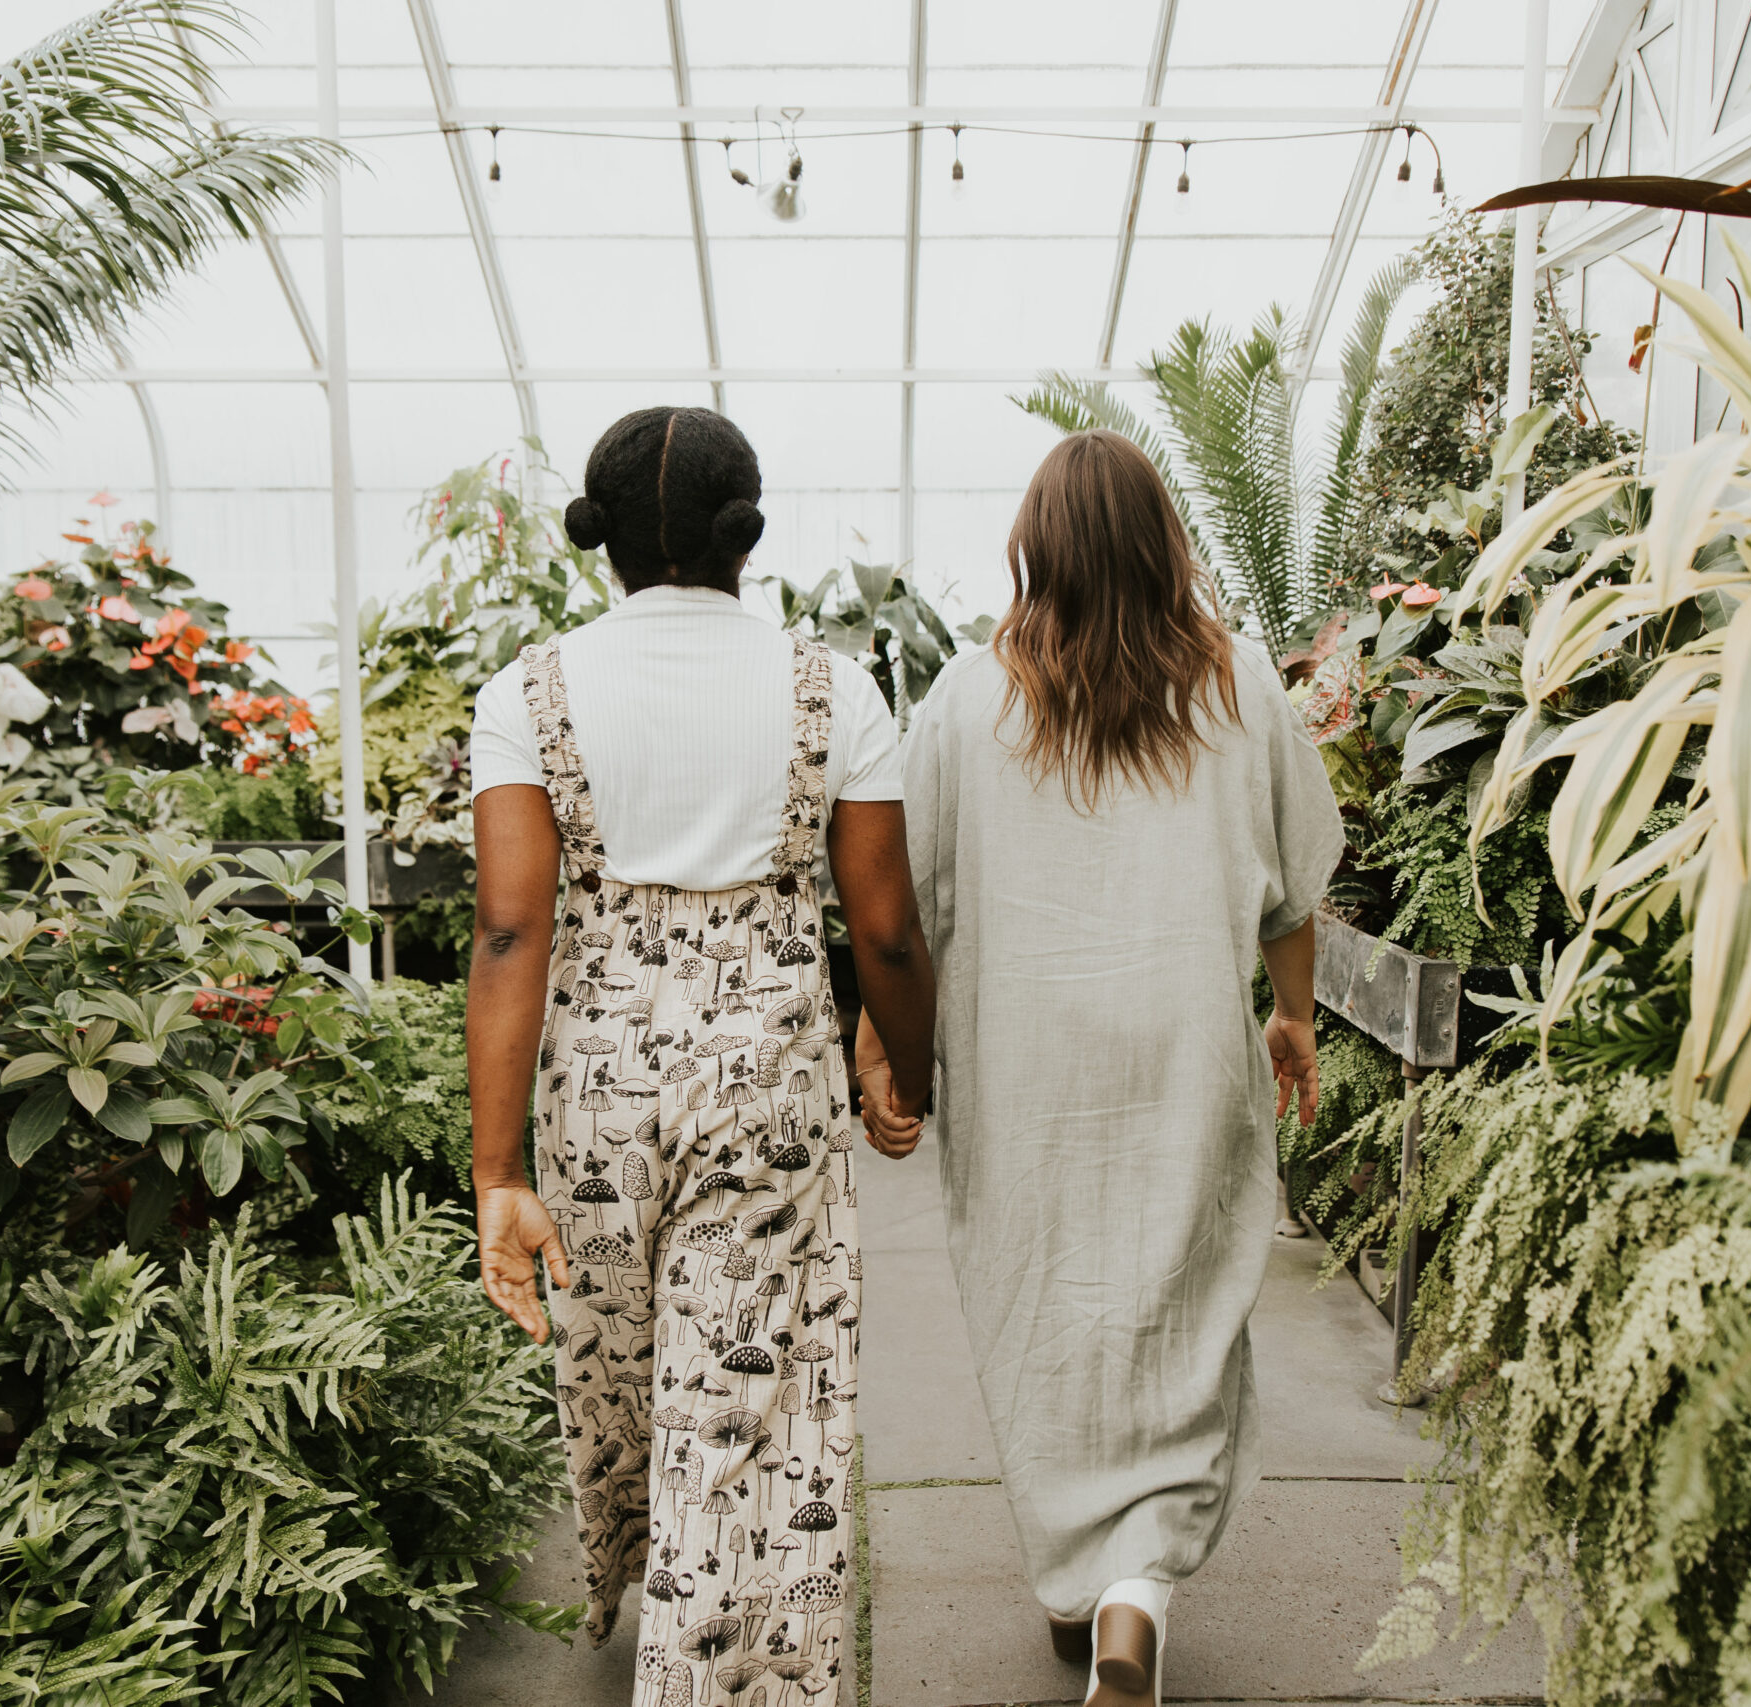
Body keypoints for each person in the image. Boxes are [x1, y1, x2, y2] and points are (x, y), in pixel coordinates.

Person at [463, 406, 936, 1707]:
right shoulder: (833, 687)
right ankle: (722, 1659)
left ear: (598, 540)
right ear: (749, 535)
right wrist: (911, 1063)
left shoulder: (530, 691)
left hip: (596, 1097)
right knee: (743, 1417)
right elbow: (885, 929)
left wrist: (495, 1168)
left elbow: (510, 929)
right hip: (765, 1093)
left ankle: (647, 1595)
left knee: (617, 1375)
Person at [864, 429, 1342, 1707]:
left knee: (1049, 1307)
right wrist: (1290, 1018)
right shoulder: (1238, 683)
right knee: (1180, 1312)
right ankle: (1134, 1592)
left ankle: (1083, 1580)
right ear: (1159, 542)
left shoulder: (969, 696)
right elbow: (1292, 886)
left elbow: (906, 903)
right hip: (1185, 1047)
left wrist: (883, 1045)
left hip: (1022, 1061)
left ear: (1036, 548)